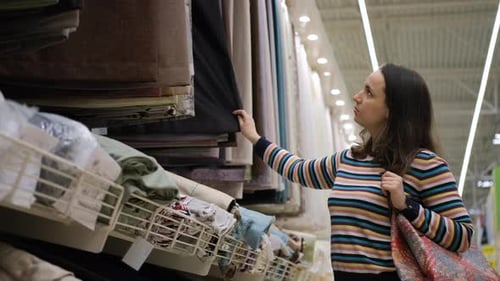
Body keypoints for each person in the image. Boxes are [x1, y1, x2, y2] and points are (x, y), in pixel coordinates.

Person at [233, 63, 473, 281]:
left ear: (392, 110)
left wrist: (407, 206)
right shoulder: (349, 159)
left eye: (369, 92)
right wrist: (255, 138)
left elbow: (463, 236)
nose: (357, 97)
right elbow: (298, 170)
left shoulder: (424, 164)